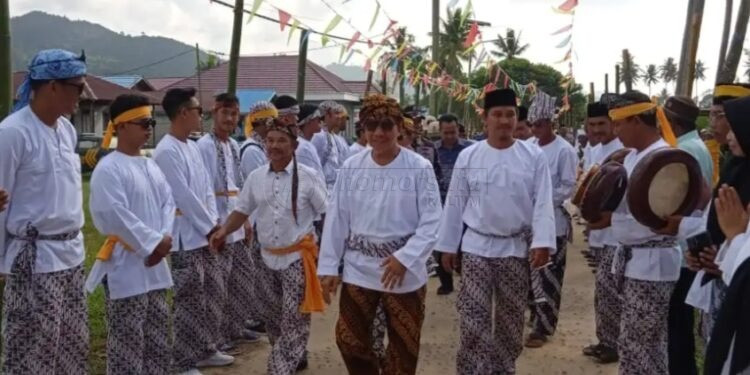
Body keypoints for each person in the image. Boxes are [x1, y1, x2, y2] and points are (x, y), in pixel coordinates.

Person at [318, 94, 442, 375]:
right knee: (348, 339)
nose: (378, 133)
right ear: (363, 129)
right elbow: (338, 218)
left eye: (386, 125)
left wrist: (406, 258)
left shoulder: (419, 168)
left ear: (399, 127)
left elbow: (433, 220)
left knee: (403, 346)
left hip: (403, 271)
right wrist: (328, 267)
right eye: (371, 126)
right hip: (359, 267)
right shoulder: (351, 167)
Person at [436, 88, 556, 374]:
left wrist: (542, 242)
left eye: (510, 115)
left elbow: (542, 201)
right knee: (472, 320)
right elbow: (455, 203)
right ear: (485, 119)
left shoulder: (533, 156)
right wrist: (447, 246)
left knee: (510, 324)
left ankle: (503, 369)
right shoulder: (470, 156)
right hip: (476, 248)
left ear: (516, 119)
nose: (504, 121)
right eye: (497, 115)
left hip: (515, 249)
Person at [210, 119, 327, 374]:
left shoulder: (308, 177)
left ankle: (279, 368)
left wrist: (329, 259)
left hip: (297, 257)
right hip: (264, 258)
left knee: (294, 318)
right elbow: (242, 211)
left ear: (294, 145)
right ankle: (293, 355)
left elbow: (326, 214)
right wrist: (222, 232)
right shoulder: (255, 177)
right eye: (270, 140)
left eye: (281, 141)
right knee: (273, 319)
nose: (274, 146)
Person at [0, 49, 89, 374]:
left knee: (72, 345)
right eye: (77, 87)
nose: (83, 94)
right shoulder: (12, 133)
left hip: (72, 255)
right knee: (33, 350)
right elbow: (1, 201)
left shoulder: (66, 130)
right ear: (52, 86)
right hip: (34, 261)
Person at [591, 91, 682, 374]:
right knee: (634, 343)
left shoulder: (666, 158)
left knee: (642, 343)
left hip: (652, 264)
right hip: (631, 261)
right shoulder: (632, 157)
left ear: (637, 122)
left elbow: (677, 215)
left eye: (619, 124)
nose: (615, 131)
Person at [85, 94, 174, 374]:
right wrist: (153, 244)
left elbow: (168, 204)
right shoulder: (108, 169)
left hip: (155, 267)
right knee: (128, 344)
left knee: (158, 339)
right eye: (143, 122)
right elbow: (114, 216)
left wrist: (163, 238)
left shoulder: (150, 165)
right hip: (126, 266)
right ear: (121, 126)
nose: (149, 128)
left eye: (151, 122)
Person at [153, 87, 230, 374]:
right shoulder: (166, 151)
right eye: (198, 110)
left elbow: (206, 190)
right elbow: (183, 196)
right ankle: (183, 360)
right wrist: (209, 226)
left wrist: (214, 225)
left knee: (211, 294)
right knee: (188, 299)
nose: (202, 115)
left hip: (205, 232)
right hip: (185, 236)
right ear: (183, 112)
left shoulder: (191, 146)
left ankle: (206, 348)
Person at [196, 93, 261, 350]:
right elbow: (202, 187)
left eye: (234, 114)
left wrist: (245, 221)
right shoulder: (203, 145)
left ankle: (235, 326)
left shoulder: (234, 145)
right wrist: (214, 225)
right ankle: (216, 336)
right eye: (225, 113)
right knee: (218, 285)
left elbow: (241, 187)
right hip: (217, 220)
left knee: (242, 278)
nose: (230, 119)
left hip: (235, 217)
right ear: (215, 113)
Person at [660, 96, 714, 375]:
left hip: (683, 249)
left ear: (674, 123)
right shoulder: (693, 146)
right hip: (688, 244)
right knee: (679, 324)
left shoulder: (685, 151)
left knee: (677, 325)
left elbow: (681, 199)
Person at [527, 102, 578, 348]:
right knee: (530, 276)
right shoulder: (528, 148)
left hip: (554, 222)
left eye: (540, 124)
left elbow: (568, 187)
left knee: (549, 276)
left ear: (551, 124)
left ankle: (543, 328)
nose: (535, 129)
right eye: (532, 124)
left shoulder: (564, 151)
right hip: (528, 223)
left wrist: (542, 199)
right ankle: (534, 317)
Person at [580, 101, 625, 363]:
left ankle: (613, 344)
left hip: (616, 234)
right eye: (592, 124)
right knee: (602, 290)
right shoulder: (593, 149)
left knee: (611, 290)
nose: (597, 130)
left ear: (613, 124)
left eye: (602, 124)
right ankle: (606, 339)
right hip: (599, 233)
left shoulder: (622, 151)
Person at [433, 113, 473, 295]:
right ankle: (446, 283)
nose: (450, 136)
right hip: (439, 203)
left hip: (466, 203)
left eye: (453, 132)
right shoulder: (432, 150)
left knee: (466, 243)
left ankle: (469, 279)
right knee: (441, 242)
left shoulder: (471, 150)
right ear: (440, 131)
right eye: (446, 133)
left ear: (459, 130)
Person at [274, 96, 324, 178]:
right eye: (295, 115)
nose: (297, 119)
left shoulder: (303, 144)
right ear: (285, 119)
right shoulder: (303, 147)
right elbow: (310, 178)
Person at [311, 101, 350, 192]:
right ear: (327, 115)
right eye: (336, 113)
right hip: (324, 189)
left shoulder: (335, 137)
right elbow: (315, 166)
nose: (339, 117)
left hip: (337, 188)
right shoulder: (319, 136)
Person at [240, 101, 277, 177]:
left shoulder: (261, 147)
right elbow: (258, 183)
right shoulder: (252, 151)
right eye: (272, 121)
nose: (275, 126)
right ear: (261, 122)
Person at [295, 103, 325, 175]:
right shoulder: (304, 147)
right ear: (309, 120)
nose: (320, 122)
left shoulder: (304, 144)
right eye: (318, 119)